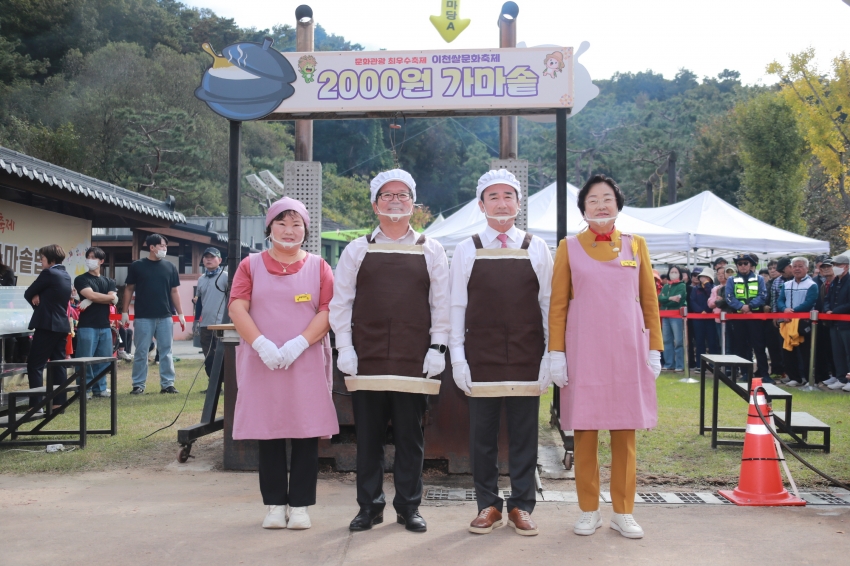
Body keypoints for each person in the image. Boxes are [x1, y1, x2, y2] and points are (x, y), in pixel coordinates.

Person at [330, 169, 450, 534]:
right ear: (374, 204)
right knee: (368, 439)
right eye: (387, 195)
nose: (395, 200)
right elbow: (341, 304)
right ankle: (369, 507)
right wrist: (345, 347)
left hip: (413, 359)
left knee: (410, 439)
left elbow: (441, 304)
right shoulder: (357, 248)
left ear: (414, 204)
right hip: (365, 358)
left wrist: (437, 348)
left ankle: (408, 507)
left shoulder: (431, 248)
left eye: (403, 195)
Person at [550, 174, 662, 540]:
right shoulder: (569, 246)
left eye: (607, 198)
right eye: (593, 199)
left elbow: (649, 302)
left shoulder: (636, 245)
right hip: (584, 352)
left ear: (618, 204)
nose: (601, 204)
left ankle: (623, 511)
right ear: (583, 208)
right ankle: (588, 509)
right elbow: (558, 305)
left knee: (624, 433)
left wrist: (655, 347)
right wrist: (556, 352)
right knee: (584, 432)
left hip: (627, 352)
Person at [449, 169, 551, 537]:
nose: (501, 202)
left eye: (508, 195)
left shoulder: (536, 247)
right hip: (481, 356)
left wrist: (550, 356)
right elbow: (456, 307)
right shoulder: (468, 248)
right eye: (493, 196)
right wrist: (457, 357)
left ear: (519, 203)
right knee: (482, 437)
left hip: (527, 355)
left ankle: (522, 505)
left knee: (525, 436)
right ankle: (487, 505)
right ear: (481, 204)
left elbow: (548, 306)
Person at [229, 197, 338, 530]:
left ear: (306, 230)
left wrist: (299, 342)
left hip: (303, 359)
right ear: (269, 227)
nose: (289, 231)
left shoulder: (320, 266)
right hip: (264, 360)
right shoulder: (250, 265)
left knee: (305, 431)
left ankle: (301, 505)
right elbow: (237, 307)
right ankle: (275, 504)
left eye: (296, 225)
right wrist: (260, 343)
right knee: (269, 430)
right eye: (282, 223)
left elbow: (327, 310)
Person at [121, 234, 185, 394]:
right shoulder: (137, 266)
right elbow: (129, 289)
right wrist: (124, 311)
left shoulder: (170, 267)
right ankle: (138, 385)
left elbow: (174, 291)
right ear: (152, 247)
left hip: (165, 316)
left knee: (166, 351)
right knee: (141, 351)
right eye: (162, 246)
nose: (164, 249)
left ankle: (168, 384)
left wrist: (181, 313)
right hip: (143, 316)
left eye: (165, 246)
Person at [23, 244, 72, 410]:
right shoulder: (65, 275)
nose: (41, 262)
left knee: (35, 365)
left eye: (42, 259)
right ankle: (59, 402)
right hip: (61, 325)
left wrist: (36, 296)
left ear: (51, 260)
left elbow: (28, 292)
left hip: (47, 324)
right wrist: (40, 294)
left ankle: (36, 405)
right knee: (58, 364)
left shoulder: (48, 273)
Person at [75, 247, 119, 398]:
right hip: (87, 325)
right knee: (85, 359)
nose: (90, 260)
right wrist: (94, 298)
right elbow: (100, 296)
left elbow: (114, 299)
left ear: (101, 261)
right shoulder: (81, 279)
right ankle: (84, 389)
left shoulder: (109, 281)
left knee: (103, 359)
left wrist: (93, 298)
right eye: (88, 257)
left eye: (93, 257)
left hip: (105, 325)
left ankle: (100, 388)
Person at [725, 253, 770, 382]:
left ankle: (764, 374)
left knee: (759, 346)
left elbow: (763, 295)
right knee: (741, 346)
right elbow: (729, 297)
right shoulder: (731, 280)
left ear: (751, 265)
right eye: (740, 264)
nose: (743, 266)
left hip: (755, 317)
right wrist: (741, 307)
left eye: (746, 263)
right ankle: (746, 373)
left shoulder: (759, 278)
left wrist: (749, 306)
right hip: (739, 318)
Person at [777, 257, 819, 387]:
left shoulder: (812, 285)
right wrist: (784, 309)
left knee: (805, 352)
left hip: (804, 322)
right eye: (794, 266)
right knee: (788, 351)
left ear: (807, 268)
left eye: (800, 266)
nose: (797, 268)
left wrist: (793, 311)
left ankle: (807, 378)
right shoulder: (787, 284)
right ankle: (794, 377)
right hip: (787, 322)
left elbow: (809, 302)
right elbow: (780, 300)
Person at [195, 247, 227, 382]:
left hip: (221, 324)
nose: (209, 259)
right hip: (205, 325)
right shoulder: (201, 279)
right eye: (206, 257)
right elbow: (199, 301)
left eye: (212, 257)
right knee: (208, 356)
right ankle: (213, 384)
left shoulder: (226, 277)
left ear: (219, 260)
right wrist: (196, 320)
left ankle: (227, 383)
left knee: (222, 355)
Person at [824, 255, 850, 391]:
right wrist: (827, 309)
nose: (834, 267)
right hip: (834, 323)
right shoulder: (835, 282)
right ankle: (840, 378)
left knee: (848, 352)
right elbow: (828, 298)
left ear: (846, 266)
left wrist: (834, 311)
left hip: (846, 324)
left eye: (837, 265)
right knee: (837, 352)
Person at [658, 265, 686, 371]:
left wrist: (667, 299)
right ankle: (669, 364)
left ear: (679, 274)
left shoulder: (681, 286)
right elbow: (660, 298)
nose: (673, 274)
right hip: (665, 315)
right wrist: (670, 298)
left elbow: (679, 299)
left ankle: (680, 365)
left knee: (678, 341)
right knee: (666, 340)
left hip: (676, 315)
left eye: (675, 272)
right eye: (672, 272)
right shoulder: (666, 286)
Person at [690, 268, 718, 367]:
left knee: (712, 341)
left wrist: (706, 310)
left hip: (710, 318)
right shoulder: (695, 289)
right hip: (698, 318)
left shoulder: (714, 288)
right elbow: (692, 301)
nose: (703, 278)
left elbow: (712, 298)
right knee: (699, 342)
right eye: (702, 276)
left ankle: (713, 364)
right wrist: (700, 310)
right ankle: (699, 364)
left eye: (706, 277)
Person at [814, 258, 835, 384]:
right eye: (824, 267)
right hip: (825, 322)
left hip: (839, 321)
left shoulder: (839, 282)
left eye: (829, 266)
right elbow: (824, 302)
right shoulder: (823, 285)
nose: (826, 269)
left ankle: (842, 376)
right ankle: (835, 374)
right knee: (828, 350)